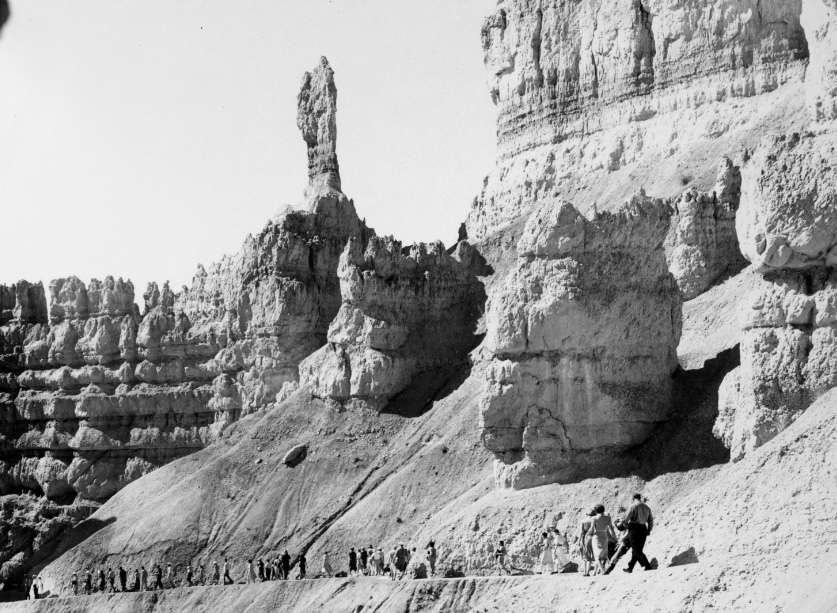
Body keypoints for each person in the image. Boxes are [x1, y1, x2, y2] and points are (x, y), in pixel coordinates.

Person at [624, 493, 654, 573]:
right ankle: (630, 567)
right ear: (640, 498)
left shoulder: (633, 506)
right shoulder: (647, 507)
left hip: (634, 528)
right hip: (643, 528)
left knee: (636, 550)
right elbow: (650, 520)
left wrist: (626, 526)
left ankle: (648, 566)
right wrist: (649, 530)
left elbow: (626, 519)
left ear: (633, 498)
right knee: (637, 549)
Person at [587, 505, 617, 575]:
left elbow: (591, 529)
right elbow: (611, 528)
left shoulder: (594, 518)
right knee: (604, 554)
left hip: (597, 536)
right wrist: (614, 537)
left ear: (596, 511)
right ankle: (601, 570)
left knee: (597, 556)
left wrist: (588, 534)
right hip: (604, 535)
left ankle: (603, 570)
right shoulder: (608, 518)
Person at [578, 510, 596, 577]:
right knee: (591, 555)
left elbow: (582, 532)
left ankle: (585, 572)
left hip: (585, 538)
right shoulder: (594, 520)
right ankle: (588, 572)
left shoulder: (583, 521)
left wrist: (579, 540)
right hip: (592, 537)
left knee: (585, 556)